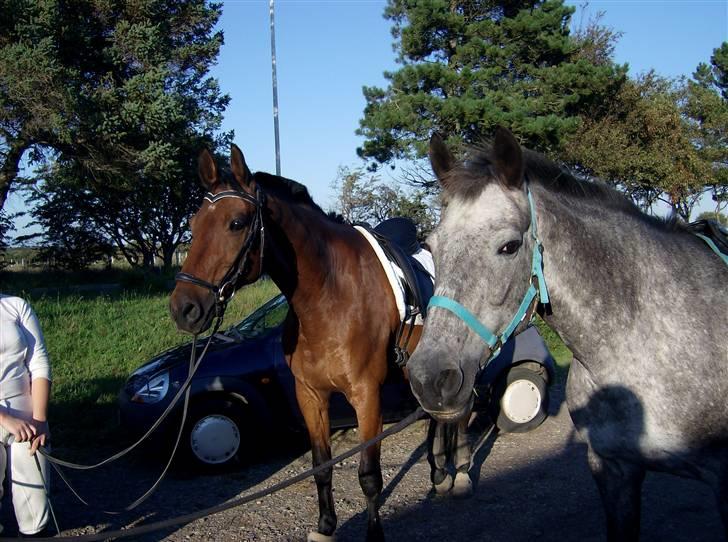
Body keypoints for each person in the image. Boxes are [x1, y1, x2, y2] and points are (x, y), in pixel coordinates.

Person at [0, 294, 51, 537]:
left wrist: (39, 419)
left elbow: (39, 362)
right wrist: (4, 419)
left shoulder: (16, 306)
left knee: (34, 496)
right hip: (5, 418)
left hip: (27, 413)